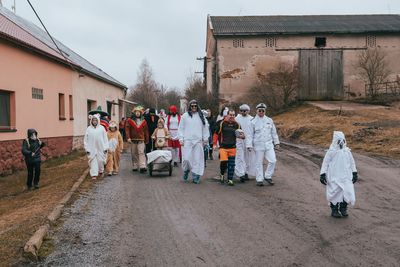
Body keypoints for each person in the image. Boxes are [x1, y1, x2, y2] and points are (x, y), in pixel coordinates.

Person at [320, 131, 358, 218]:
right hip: (334, 177)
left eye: (342, 140)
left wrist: (354, 172)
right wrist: (322, 174)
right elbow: (325, 163)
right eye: (338, 141)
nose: (341, 143)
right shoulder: (331, 152)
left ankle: (343, 208)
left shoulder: (347, 152)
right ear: (335, 141)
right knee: (335, 193)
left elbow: (352, 163)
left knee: (347, 192)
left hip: (346, 177)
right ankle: (334, 210)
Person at [247, 103, 280, 186]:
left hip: (268, 144)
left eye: (263, 110)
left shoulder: (269, 120)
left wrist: (276, 142)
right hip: (258, 145)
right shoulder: (253, 122)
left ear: (265, 111)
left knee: (273, 160)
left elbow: (274, 132)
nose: (261, 112)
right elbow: (250, 135)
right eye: (259, 110)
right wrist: (249, 145)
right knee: (258, 163)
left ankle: (268, 176)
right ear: (257, 111)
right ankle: (259, 179)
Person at [178, 100, 210, 184]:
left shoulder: (201, 116)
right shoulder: (185, 116)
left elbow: (205, 128)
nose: (194, 108)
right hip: (187, 141)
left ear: (197, 106)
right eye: (192, 106)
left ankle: (196, 176)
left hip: (198, 141)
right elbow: (181, 128)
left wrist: (205, 139)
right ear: (190, 107)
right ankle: (186, 170)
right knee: (187, 159)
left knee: (197, 159)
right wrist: (181, 139)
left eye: (195, 106)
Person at [213, 109, 240, 186]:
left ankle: (230, 179)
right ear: (227, 115)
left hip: (233, 147)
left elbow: (241, 134)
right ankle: (222, 175)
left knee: (232, 164)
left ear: (235, 116)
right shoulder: (222, 123)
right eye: (230, 115)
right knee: (224, 162)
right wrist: (214, 144)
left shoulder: (237, 124)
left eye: (233, 115)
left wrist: (243, 136)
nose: (231, 116)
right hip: (223, 147)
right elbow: (216, 134)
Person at [84, 114, 109, 180]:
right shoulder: (88, 129)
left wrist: (105, 147)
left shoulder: (102, 128)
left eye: (96, 120)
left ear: (98, 121)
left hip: (100, 147)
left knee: (100, 160)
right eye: (93, 120)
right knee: (93, 161)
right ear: (91, 121)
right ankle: (94, 174)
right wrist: (87, 149)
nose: (94, 121)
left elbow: (105, 138)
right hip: (91, 148)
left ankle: (101, 170)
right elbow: (86, 140)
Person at [125, 106, 149, 173]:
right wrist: (128, 137)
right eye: (136, 112)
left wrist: (147, 139)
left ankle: (142, 166)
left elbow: (146, 131)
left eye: (139, 112)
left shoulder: (144, 121)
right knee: (134, 153)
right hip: (133, 139)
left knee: (141, 152)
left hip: (141, 139)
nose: (138, 113)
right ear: (134, 113)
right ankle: (135, 165)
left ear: (141, 113)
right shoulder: (130, 121)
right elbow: (127, 130)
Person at [235, 104, 255, 182]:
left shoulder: (252, 119)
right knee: (240, 157)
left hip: (248, 141)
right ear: (240, 111)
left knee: (248, 158)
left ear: (248, 111)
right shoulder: (236, 119)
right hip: (239, 141)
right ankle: (241, 174)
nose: (244, 112)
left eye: (245, 111)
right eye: (242, 111)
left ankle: (246, 172)